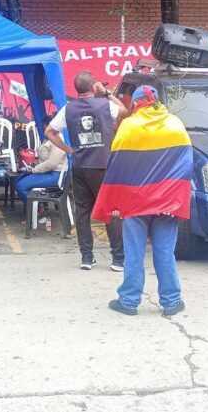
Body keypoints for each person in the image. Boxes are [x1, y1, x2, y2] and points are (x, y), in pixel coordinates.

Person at [92, 85, 192, 317]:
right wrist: (176, 199)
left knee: (134, 252)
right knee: (165, 252)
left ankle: (128, 301)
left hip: (135, 203)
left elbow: (117, 168)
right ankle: (171, 302)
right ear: (157, 100)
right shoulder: (175, 124)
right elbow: (186, 167)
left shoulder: (129, 127)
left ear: (136, 103)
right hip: (167, 203)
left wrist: (114, 203)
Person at [46, 71, 128, 271]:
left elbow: (49, 132)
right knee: (111, 210)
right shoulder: (105, 105)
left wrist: (69, 151)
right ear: (93, 87)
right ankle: (118, 259)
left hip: (80, 165)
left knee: (82, 211)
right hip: (102, 165)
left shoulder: (68, 108)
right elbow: (124, 111)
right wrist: (106, 91)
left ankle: (86, 257)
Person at [15, 115, 66, 214]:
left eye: (45, 128)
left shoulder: (59, 140)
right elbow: (45, 157)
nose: (44, 132)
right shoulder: (50, 137)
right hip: (46, 171)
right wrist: (35, 163)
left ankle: (38, 209)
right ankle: (38, 205)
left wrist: (33, 170)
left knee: (21, 186)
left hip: (55, 174)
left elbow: (52, 163)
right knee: (17, 181)